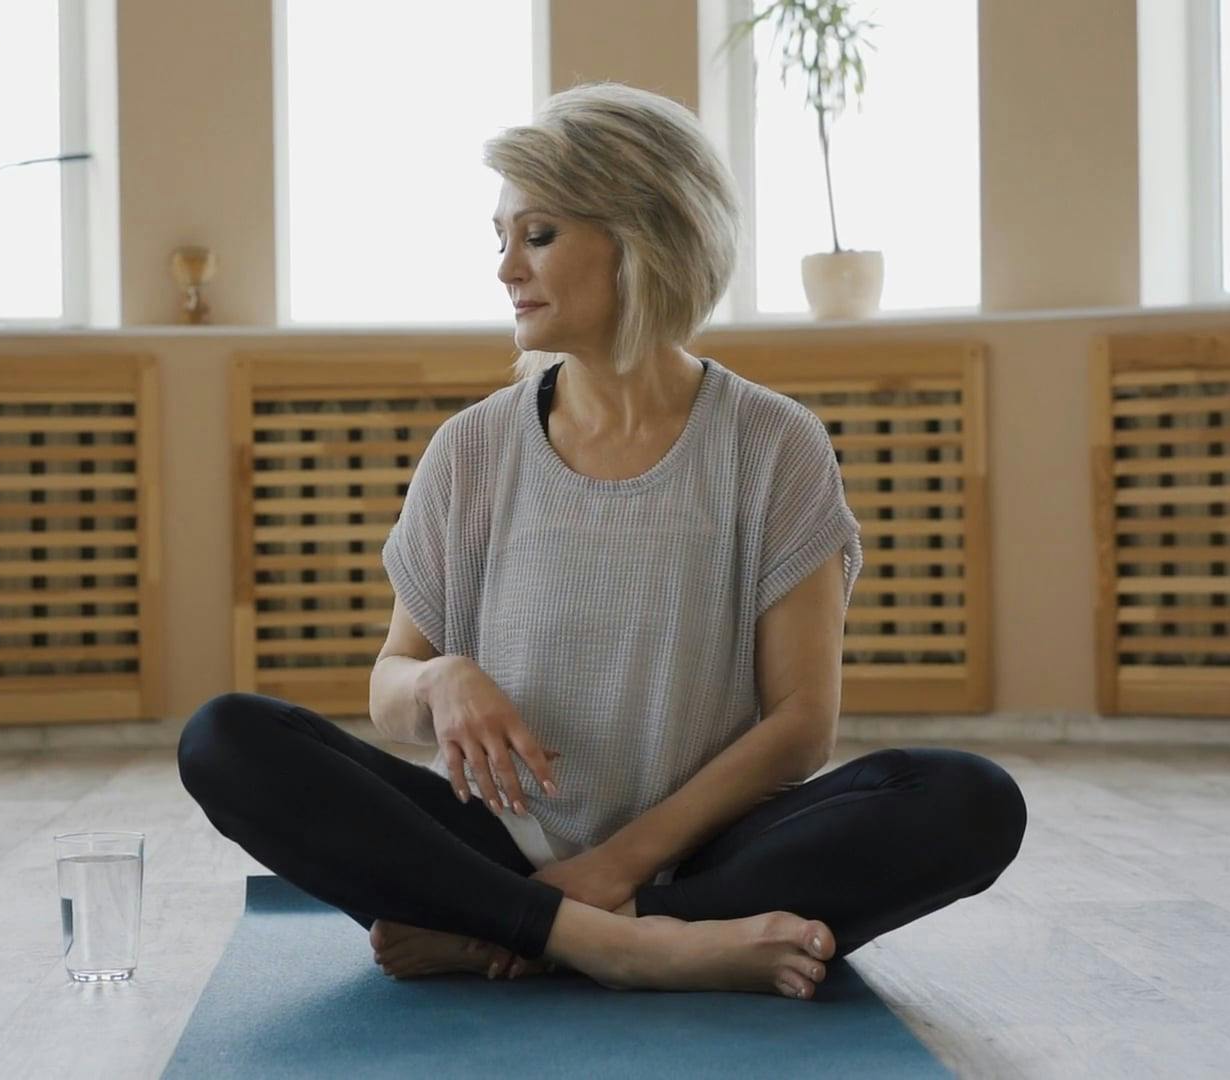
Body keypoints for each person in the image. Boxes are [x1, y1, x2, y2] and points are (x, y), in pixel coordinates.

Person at [178, 82, 1026, 1002]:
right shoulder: (472, 449)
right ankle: (628, 947)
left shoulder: (773, 443)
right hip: (496, 840)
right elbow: (389, 691)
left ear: (645, 238)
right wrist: (438, 679)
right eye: (498, 239)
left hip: (704, 849)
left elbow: (799, 728)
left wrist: (617, 866)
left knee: (971, 801)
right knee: (227, 739)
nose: (506, 269)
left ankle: (512, 932)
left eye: (537, 236)